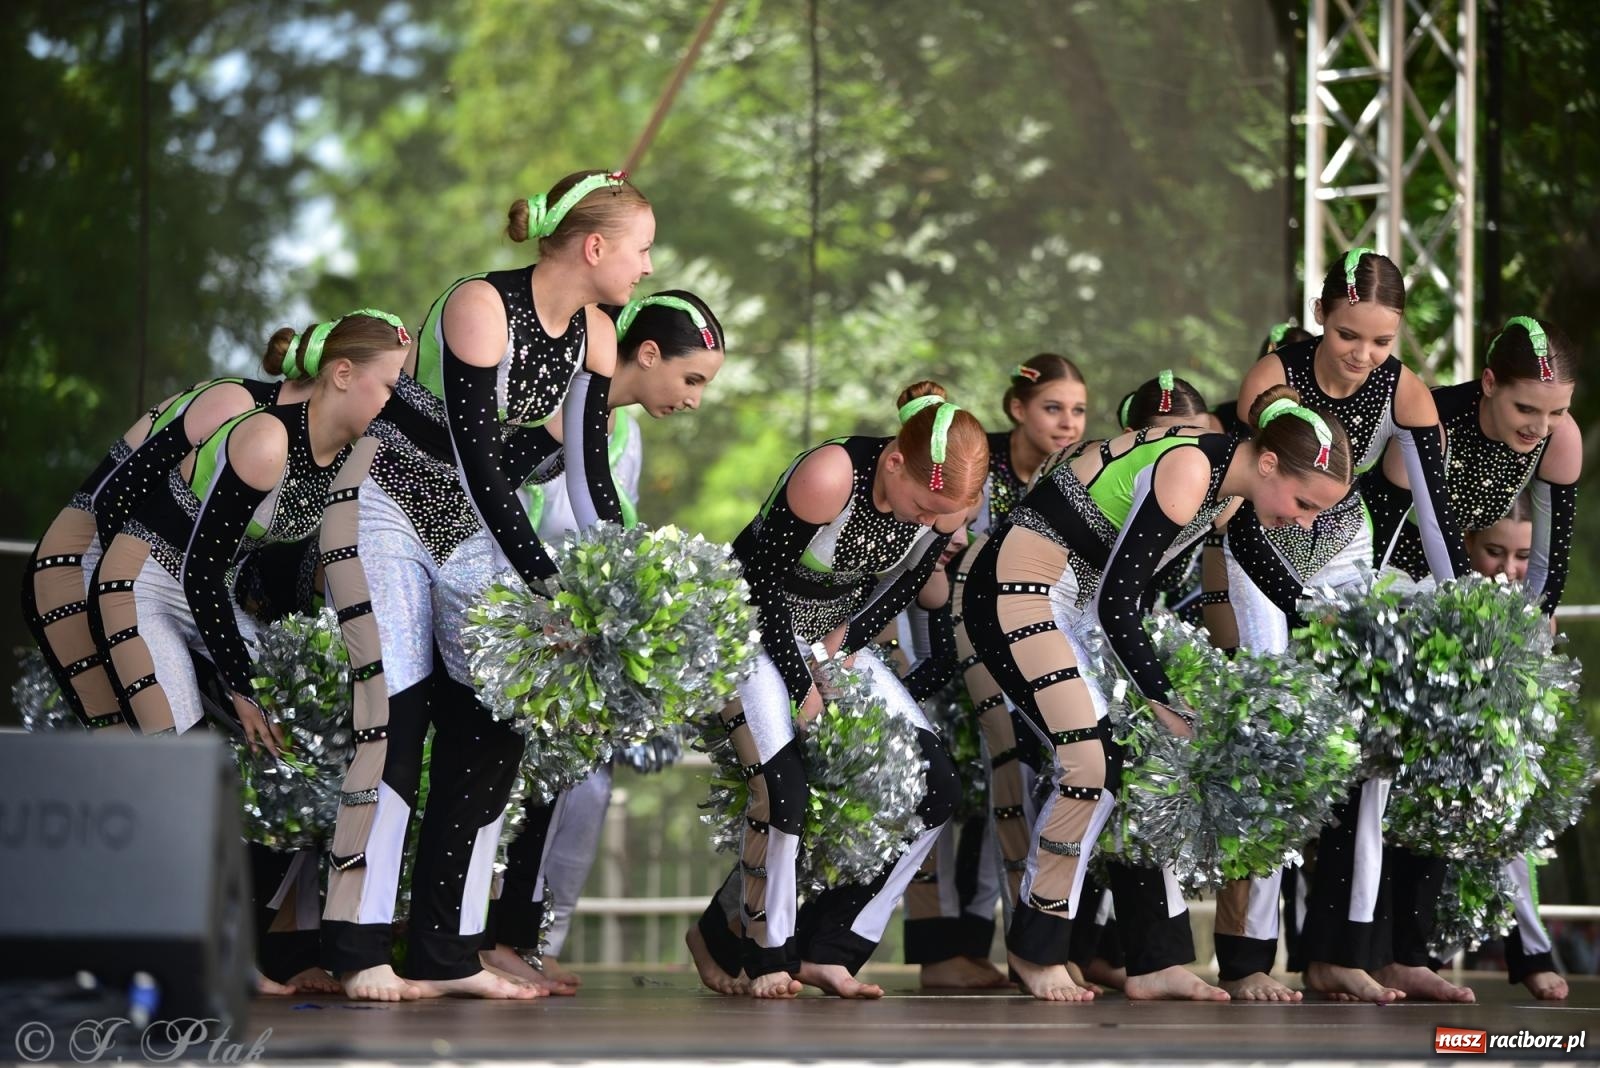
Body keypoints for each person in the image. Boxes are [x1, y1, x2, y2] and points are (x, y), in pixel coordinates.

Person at [318, 170, 648, 1001]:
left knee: (498, 720)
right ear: (597, 245)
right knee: (393, 717)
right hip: (390, 504)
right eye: (643, 250)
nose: (647, 269)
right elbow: (472, 454)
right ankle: (356, 953)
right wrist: (542, 580)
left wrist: (626, 582)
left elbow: (588, 477)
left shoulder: (596, 338)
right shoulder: (480, 304)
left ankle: (448, 951)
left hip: (467, 526)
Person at [964, 384, 1353, 1003]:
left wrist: (1354, 628)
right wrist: (1164, 701)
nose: (1305, 522)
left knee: (1139, 766)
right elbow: (1119, 602)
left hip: (1075, 604)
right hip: (1020, 588)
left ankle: (1152, 962)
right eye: (1305, 504)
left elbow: (1275, 580)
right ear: (1271, 461)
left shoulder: (1231, 484)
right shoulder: (1193, 467)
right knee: (1088, 762)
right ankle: (1036, 949)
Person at [687, 382, 982, 999]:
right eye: (925, 508)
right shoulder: (831, 475)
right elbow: (762, 586)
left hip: (829, 636)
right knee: (785, 792)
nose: (931, 524)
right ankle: (766, 954)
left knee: (934, 785)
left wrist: (834, 656)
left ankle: (832, 945)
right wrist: (801, 684)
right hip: (750, 626)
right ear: (895, 461)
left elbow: (900, 592)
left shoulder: (941, 502)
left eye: (943, 517)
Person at [477, 290, 727, 991]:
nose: (696, 400)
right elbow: (515, 510)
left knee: (583, 787)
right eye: (692, 379)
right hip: (515, 612)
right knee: (517, 779)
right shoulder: (555, 401)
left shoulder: (626, 430)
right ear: (647, 354)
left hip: (577, 625)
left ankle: (530, 939)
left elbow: (614, 527)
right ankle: (480, 935)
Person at [22, 374, 289, 729]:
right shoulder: (237, 404)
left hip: (148, 581)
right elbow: (113, 500)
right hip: (77, 572)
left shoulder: (283, 430)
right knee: (129, 747)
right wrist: (128, 599)